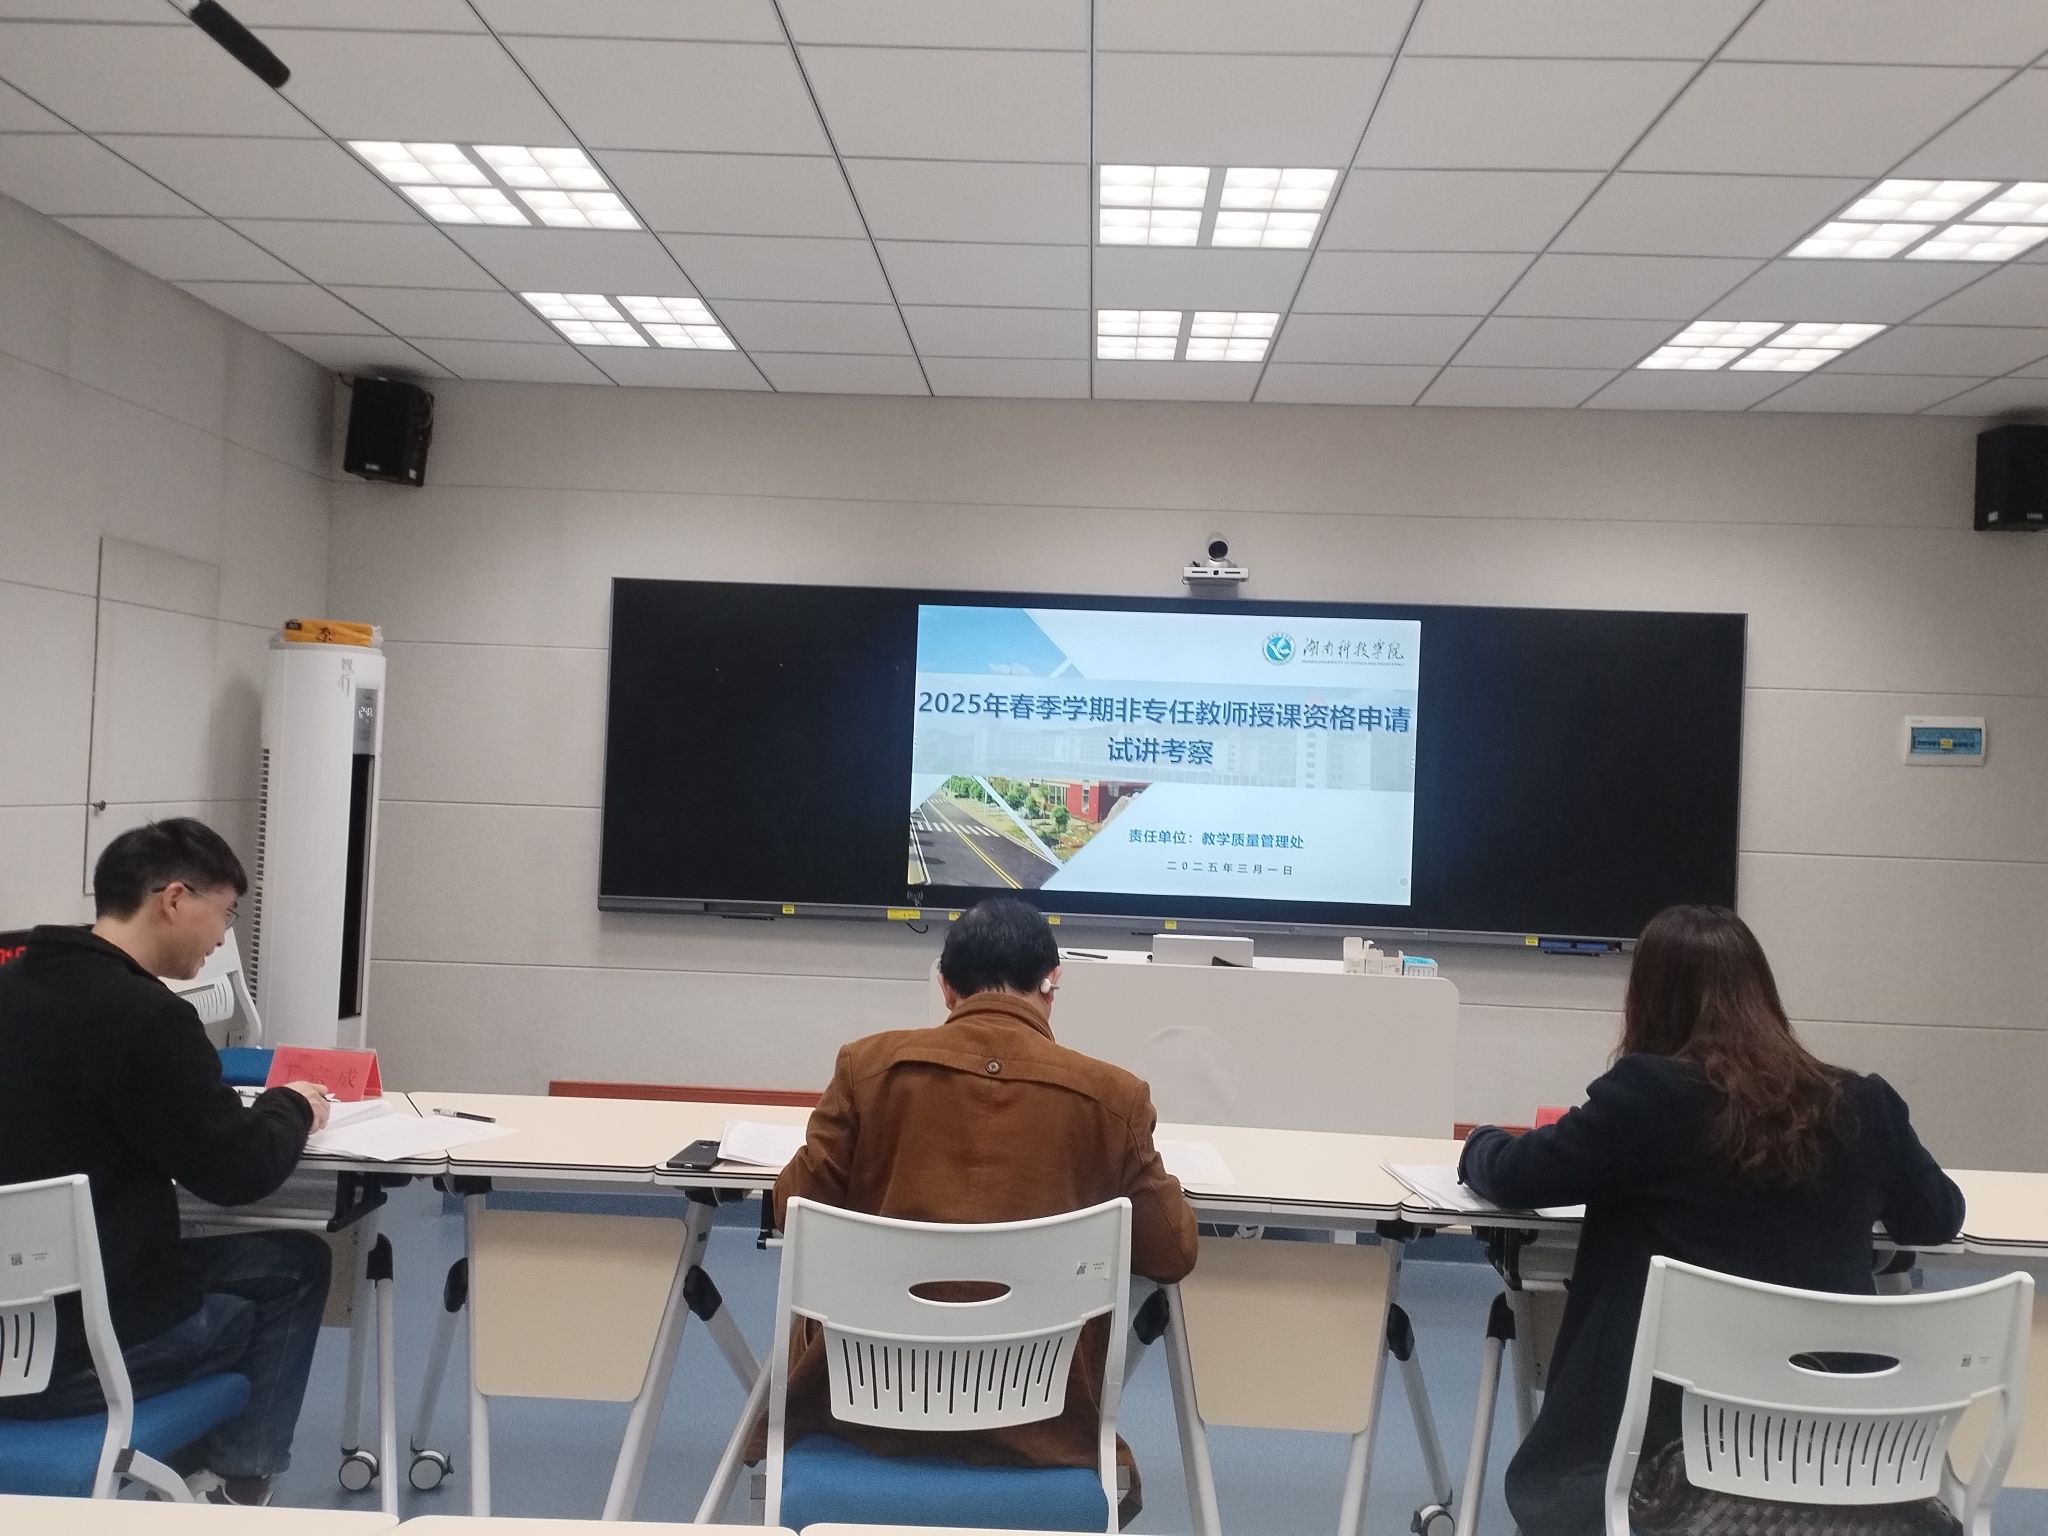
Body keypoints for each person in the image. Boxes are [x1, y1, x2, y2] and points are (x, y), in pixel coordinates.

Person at [1459, 904, 1966, 1536]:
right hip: (1839, 1455)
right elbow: (1938, 1217)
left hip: (1666, 1465)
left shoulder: (1647, 1097)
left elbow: (1515, 1176)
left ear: (1647, 1000)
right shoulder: (1862, 1104)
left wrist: (1478, 1140)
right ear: (1764, 995)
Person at [762, 896, 1199, 1521]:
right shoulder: (1114, 1098)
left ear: (945, 987)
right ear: (1051, 985)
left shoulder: (865, 1069)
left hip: (859, 1411)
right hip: (1041, 1424)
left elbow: (793, 1211)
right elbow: (1172, 1253)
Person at [0, 819, 335, 1507]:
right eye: (226, 915)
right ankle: (235, 1486)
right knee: (295, 1266)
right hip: (81, 1358)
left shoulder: (13, 982)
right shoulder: (148, 1017)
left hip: (12, 1329)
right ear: (175, 899)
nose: (220, 939)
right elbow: (238, 1172)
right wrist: (291, 1107)